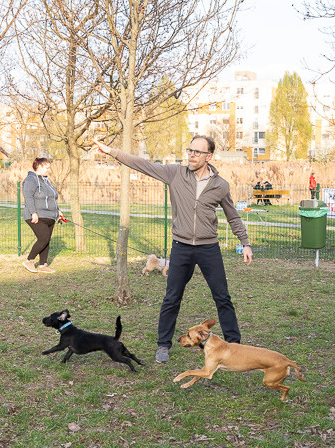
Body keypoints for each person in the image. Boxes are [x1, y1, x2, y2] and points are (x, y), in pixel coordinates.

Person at [93, 135, 252, 363]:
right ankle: (163, 345)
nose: (192, 155)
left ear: (209, 156)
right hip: (182, 247)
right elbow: (143, 164)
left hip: (209, 248)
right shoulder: (175, 173)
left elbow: (232, 215)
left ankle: (235, 346)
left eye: (198, 152)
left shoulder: (220, 185)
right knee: (172, 297)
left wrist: (244, 242)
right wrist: (110, 151)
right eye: (190, 150)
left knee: (222, 297)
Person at [21, 157, 64, 274]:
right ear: (39, 166)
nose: (48, 170)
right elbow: (28, 197)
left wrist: (58, 211)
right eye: (47, 168)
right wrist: (33, 212)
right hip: (37, 216)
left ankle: (42, 265)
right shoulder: (31, 179)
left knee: (46, 240)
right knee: (43, 238)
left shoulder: (46, 181)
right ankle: (29, 260)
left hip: (50, 216)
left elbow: (52, 198)